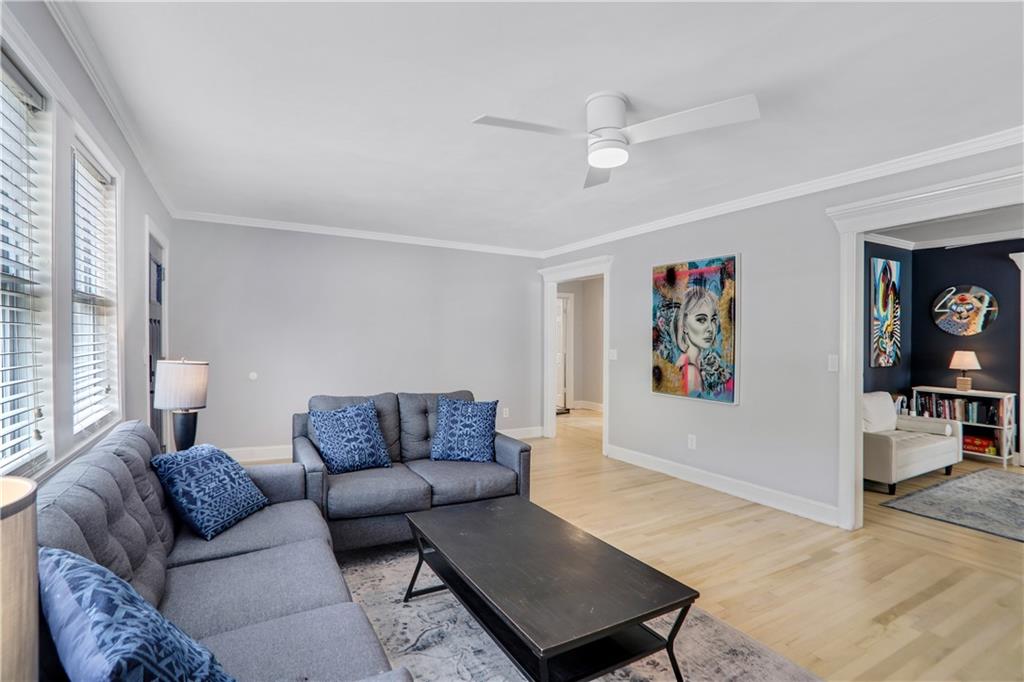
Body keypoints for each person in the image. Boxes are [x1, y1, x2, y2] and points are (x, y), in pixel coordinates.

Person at [672, 286, 720, 396]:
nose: (710, 328)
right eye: (701, 320)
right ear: (684, 324)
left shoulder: (694, 363)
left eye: (713, 320)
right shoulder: (690, 372)